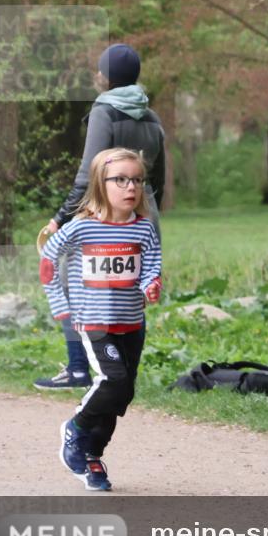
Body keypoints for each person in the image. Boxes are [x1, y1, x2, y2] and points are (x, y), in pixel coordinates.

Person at [34, 43, 166, 391]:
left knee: (73, 284)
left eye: (100, 70)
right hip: (143, 215)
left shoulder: (103, 111)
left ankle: (80, 369)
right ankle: (118, 368)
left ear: (107, 77)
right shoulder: (152, 117)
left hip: (100, 215)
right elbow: (160, 179)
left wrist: (60, 219)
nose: (96, 75)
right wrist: (142, 217)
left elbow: (87, 174)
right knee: (129, 292)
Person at [40, 147, 162, 491]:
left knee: (122, 394)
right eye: (120, 179)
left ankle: (91, 454)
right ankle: (76, 428)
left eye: (137, 180)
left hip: (131, 322)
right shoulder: (82, 228)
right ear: (99, 183)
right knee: (114, 381)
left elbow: (151, 266)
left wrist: (151, 284)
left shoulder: (144, 229)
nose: (131, 187)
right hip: (94, 322)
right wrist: (61, 307)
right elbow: (48, 262)